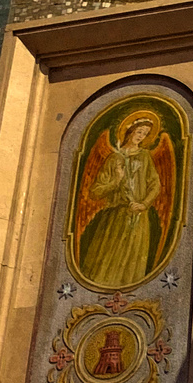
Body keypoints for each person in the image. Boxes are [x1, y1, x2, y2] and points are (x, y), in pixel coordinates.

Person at [77, 114, 162, 288]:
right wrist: (115, 181)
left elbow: (155, 185)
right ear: (130, 132)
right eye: (139, 131)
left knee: (131, 265)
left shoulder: (145, 157)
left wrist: (144, 204)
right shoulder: (114, 158)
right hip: (114, 218)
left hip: (137, 218)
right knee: (106, 263)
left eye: (145, 134)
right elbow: (94, 192)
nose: (141, 136)